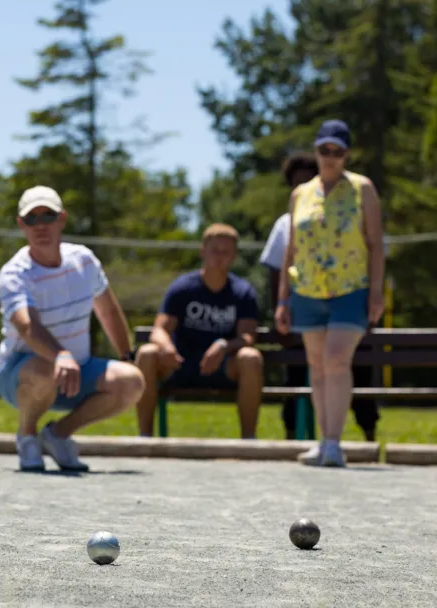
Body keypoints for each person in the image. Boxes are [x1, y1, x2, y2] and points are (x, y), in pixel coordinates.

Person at [0, 185, 145, 472]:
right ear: (21, 225)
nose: (41, 226)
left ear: (62, 219)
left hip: (76, 372)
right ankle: (27, 436)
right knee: (44, 369)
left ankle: (57, 435)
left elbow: (108, 310)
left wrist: (125, 356)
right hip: (18, 375)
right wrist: (61, 355)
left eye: (47, 216)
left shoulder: (84, 261)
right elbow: (27, 328)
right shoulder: (14, 274)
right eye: (32, 219)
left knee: (132, 381)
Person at [275, 120, 385, 467]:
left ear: (347, 154)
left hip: (350, 289)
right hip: (306, 290)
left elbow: (375, 245)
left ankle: (335, 443)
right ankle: (323, 441)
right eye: (325, 150)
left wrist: (377, 292)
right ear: (317, 150)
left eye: (338, 151)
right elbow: (290, 250)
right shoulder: (300, 194)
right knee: (317, 367)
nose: (330, 157)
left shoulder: (362, 189)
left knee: (337, 359)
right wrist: (282, 299)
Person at [135, 223, 264, 439]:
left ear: (234, 256)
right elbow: (159, 330)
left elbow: (247, 337)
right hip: (180, 363)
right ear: (202, 251)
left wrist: (223, 345)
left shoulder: (243, 292)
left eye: (226, 251)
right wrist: (166, 347)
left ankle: (248, 441)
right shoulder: (183, 288)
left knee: (251, 358)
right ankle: (144, 438)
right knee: (147, 353)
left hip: (223, 367)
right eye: (215, 250)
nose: (219, 256)